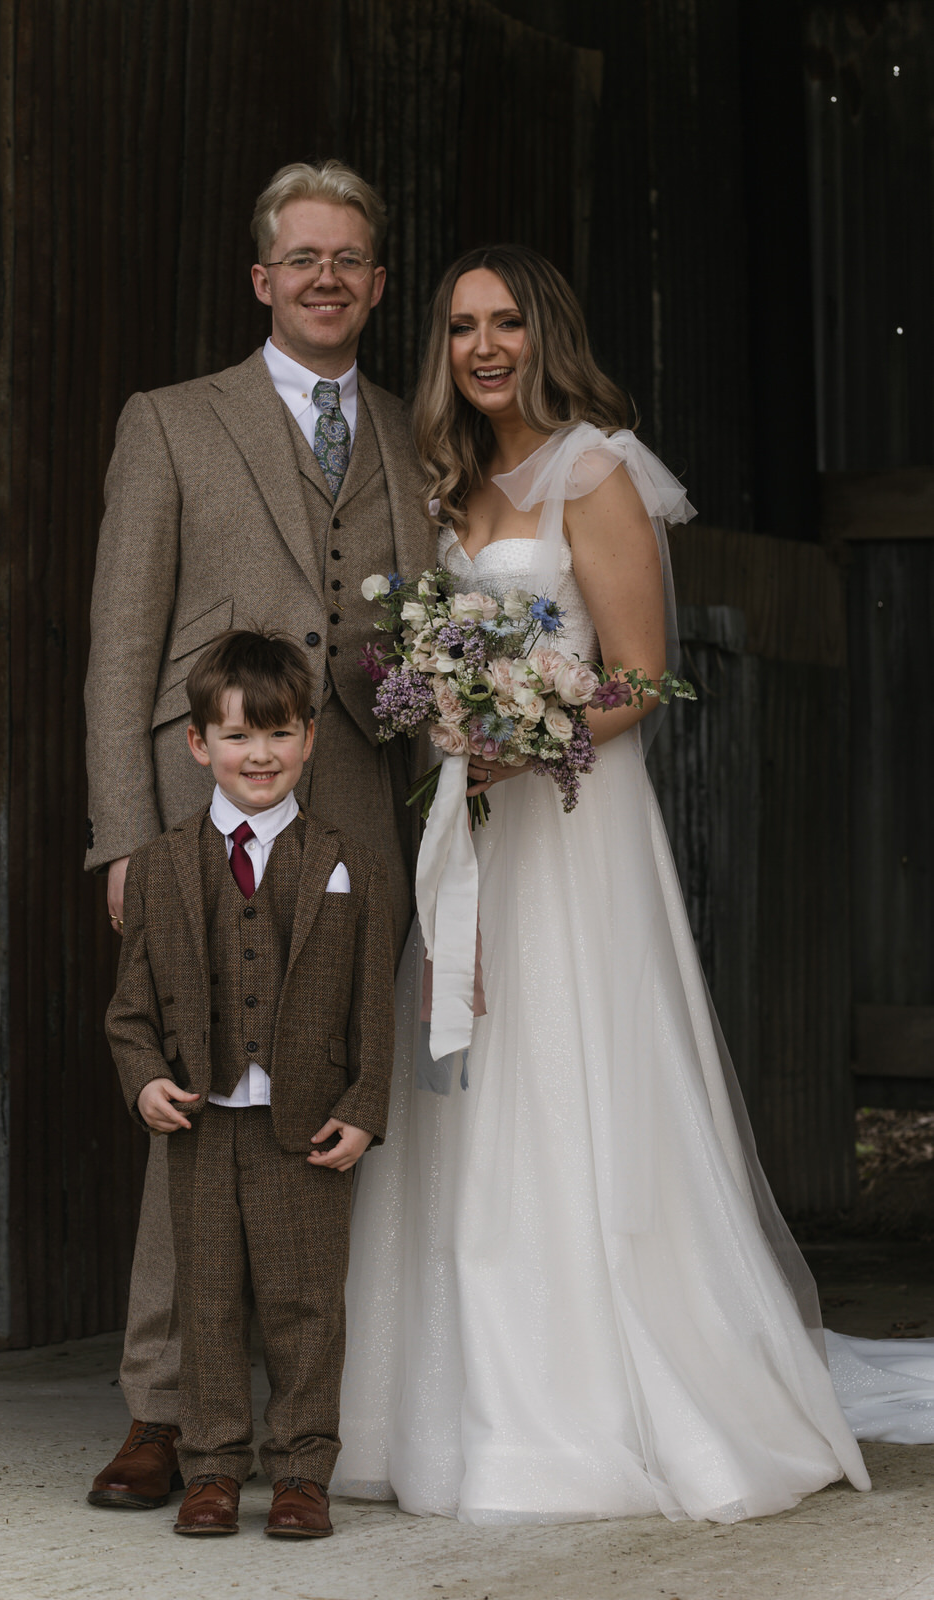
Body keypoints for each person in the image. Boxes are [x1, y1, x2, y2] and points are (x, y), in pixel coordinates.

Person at [333, 244, 876, 1525]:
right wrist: (457, 735)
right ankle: (452, 1404)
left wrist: (529, 740)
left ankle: (588, 1406)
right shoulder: (436, 483)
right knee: (469, 1090)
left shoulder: (595, 470)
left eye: (505, 321)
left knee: (574, 1079)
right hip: (472, 831)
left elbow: (636, 670)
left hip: (570, 825)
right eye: (460, 326)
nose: (480, 346)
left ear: (543, 331)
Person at [84, 160, 432, 1510]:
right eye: (301, 257)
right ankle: (162, 1413)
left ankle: (311, 1431)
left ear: (376, 281)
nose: (325, 277)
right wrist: (125, 837)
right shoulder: (171, 422)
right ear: (261, 278)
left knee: (332, 1104)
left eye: (348, 257)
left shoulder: (411, 431)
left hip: (359, 824)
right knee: (193, 1111)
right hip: (201, 824)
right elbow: (121, 655)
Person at [107, 629, 395, 1537]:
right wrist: (147, 1079)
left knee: (305, 1302)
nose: (257, 755)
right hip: (203, 1122)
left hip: (304, 1125)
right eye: (235, 737)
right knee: (209, 1298)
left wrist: (362, 1108)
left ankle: (303, 1471)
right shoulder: (159, 867)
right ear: (199, 745)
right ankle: (212, 1470)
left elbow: (371, 1006)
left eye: (276, 735)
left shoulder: (346, 860)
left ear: (309, 737)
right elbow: (129, 1012)